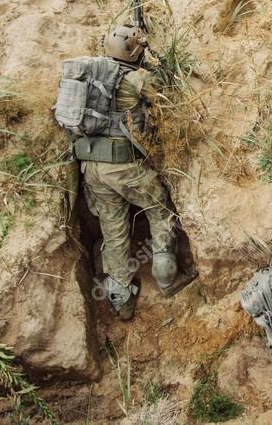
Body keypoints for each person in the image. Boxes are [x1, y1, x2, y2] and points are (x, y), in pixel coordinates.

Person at [72, 24, 197, 320]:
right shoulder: (135, 79)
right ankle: (167, 278)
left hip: (90, 167)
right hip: (124, 166)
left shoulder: (88, 75)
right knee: (160, 210)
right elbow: (168, 90)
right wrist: (153, 61)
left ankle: (123, 303)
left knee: (113, 229)